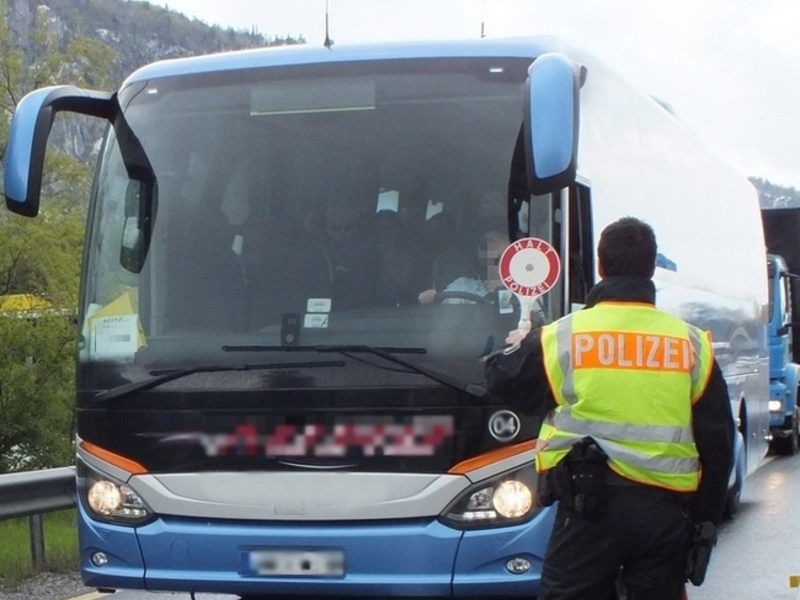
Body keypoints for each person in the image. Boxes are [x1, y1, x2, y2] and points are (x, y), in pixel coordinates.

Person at [484, 216, 734, 600]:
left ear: (601, 266)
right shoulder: (692, 344)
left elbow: (501, 380)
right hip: (664, 516)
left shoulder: (563, 336)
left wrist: (522, 340)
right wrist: (703, 523)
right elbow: (718, 445)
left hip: (588, 511)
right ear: (652, 268)